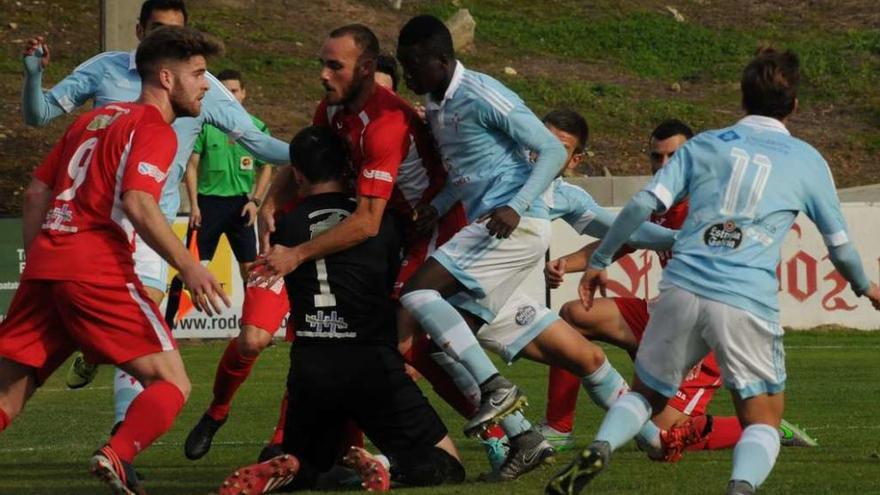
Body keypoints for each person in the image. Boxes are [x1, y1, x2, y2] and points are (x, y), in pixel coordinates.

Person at [547, 48, 880, 495]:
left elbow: (643, 205)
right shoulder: (807, 160)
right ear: (795, 105)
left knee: (646, 395)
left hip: (682, 288)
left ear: (741, 98)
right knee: (762, 417)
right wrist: (867, 287)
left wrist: (600, 261)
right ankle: (740, 488)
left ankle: (602, 445)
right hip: (745, 299)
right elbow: (839, 247)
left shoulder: (705, 145)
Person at [189, 24, 501, 470]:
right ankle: (321, 448)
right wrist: (270, 203)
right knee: (337, 340)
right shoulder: (333, 110)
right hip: (376, 233)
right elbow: (305, 155)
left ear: (368, 69)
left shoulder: (387, 124)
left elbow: (368, 222)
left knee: (395, 347)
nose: (322, 73)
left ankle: (499, 433)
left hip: (422, 233)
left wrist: (295, 253)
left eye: (334, 65)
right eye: (322, 62)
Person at [20, 0, 290, 432]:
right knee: (121, 337)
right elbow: (40, 116)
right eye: (159, 28)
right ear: (142, 31)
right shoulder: (105, 70)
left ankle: (123, 433)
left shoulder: (203, 86)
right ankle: (94, 356)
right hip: (93, 225)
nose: (169, 37)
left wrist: (321, 154)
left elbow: (259, 144)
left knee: (141, 326)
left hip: (151, 222)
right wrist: (34, 77)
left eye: (176, 30)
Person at [0, 26, 228, 494]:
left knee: (9, 392)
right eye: (200, 74)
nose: (206, 84)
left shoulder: (93, 121)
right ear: (167, 78)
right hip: (96, 268)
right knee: (173, 382)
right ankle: (116, 454)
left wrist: (38, 260)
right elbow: (141, 203)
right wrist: (190, 265)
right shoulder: (154, 129)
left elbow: (36, 194)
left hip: (47, 267)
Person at [540, 119, 819, 459]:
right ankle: (557, 429)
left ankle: (764, 427)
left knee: (663, 434)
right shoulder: (659, 203)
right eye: (656, 158)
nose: (663, 166)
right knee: (572, 316)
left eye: (673, 157)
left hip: (709, 330)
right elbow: (621, 240)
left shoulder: (716, 203)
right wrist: (565, 264)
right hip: (664, 315)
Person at [218, 126, 465, 495]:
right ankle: (385, 464)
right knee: (448, 464)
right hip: (371, 361)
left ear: (298, 174)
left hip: (312, 364)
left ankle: (287, 465)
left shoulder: (286, 225)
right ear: (351, 167)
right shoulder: (380, 223)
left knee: (310, 465)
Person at [452, 109, 681, 479]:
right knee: (429, 356)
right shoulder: (493, 165)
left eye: (558, 149)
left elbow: (626, 231)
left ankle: (656, 441)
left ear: (573, 160)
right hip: (449, 290)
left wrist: (681, 240)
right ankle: (509, 439)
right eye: (538, 142)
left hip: (496, 297)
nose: (542, 154)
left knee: (587, 358)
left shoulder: (564, 196)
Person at [391, 13, 569, 478]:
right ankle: (525, 438)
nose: (408, 75)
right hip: (495, 226)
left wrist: (517, 204)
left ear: (442, 58)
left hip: (514, 224)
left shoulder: (485, 93)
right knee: (440, 346)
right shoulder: (435, 103)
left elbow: (554, 151)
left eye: (412, 64)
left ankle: (495, 385)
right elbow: (468, 171)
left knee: (415, 293)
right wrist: (441, 203)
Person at [185, 68, 273, 281]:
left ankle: (252, 315)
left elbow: (267, 166)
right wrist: (194, 205)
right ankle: (170, 316)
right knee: (190, 267)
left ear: (243, 93)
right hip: (207, 205)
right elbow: (191, 166)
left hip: (240, 206)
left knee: (250, 269)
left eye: (234, 90)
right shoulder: (205, 126)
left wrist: (256, 201)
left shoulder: (256, 127)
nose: (230, 96)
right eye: (224, 91)